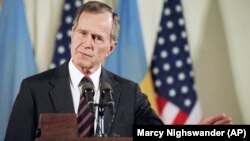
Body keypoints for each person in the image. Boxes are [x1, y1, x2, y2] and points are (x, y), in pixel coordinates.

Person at [4, 1, 232, 141]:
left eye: (97, 37)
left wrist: (191, 134)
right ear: (72, 33)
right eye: (82, 33)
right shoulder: (35, 88)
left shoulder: (129, 93)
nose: (87, 42)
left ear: (110, 47)